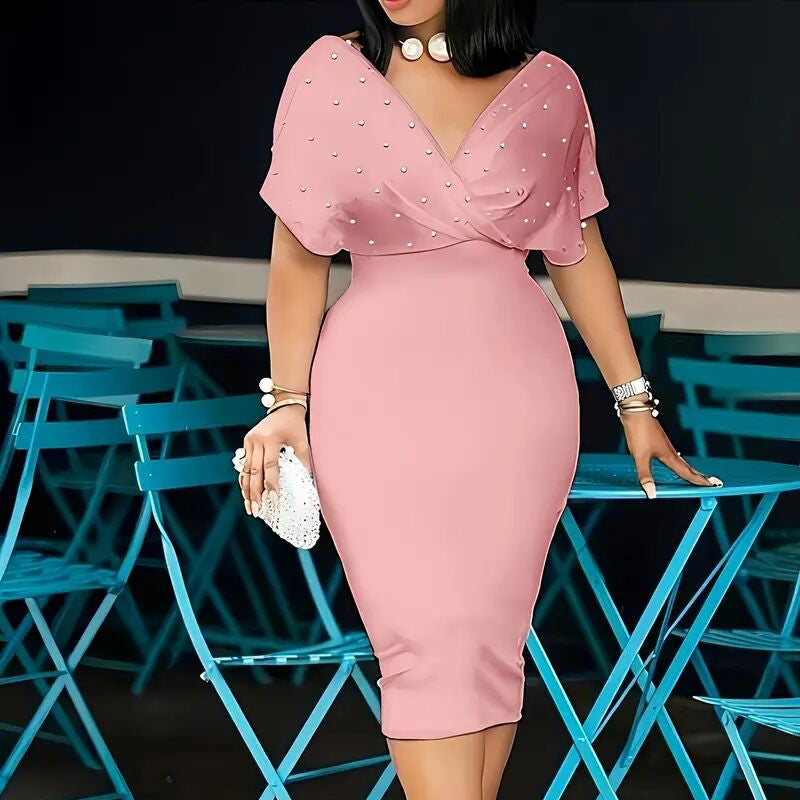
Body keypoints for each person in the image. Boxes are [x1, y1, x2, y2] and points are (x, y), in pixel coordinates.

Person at [240, 1, 723, 797]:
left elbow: (577, 248)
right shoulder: (329, 73)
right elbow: (297, 254)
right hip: (375, 397)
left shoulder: (549, 87)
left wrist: (635, 404)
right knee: (423, 646)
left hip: (518, 402)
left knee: (489, 647)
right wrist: (287, 403)